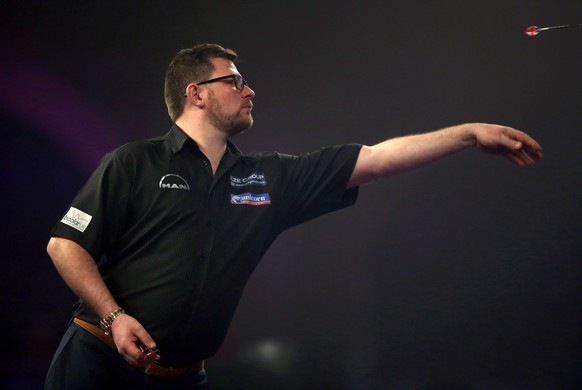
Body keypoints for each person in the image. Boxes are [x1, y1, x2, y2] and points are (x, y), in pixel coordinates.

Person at [44, 43, 543, 389]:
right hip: (97, 363)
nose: (250, 90)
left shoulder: (268, 178)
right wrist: (113, 318)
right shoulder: (133, 162)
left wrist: (469, 134)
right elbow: (65, 245)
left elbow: (376, 158)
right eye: (235, 81)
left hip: (182, 377)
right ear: (196, 93)